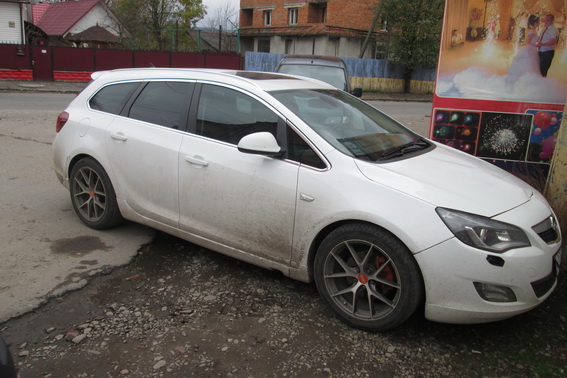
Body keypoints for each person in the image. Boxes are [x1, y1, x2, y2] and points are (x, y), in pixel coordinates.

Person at [507, 15, 541, 83]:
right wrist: (536, 44)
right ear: (535, 23)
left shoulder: (533, 30)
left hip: (532, 49)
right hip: (531, 49)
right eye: (538, 22)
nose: (539, 23)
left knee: (531, 64)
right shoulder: (532, 31)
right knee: (529, 64)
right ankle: (527, 79)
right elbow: (528, 42)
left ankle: (529, 79)